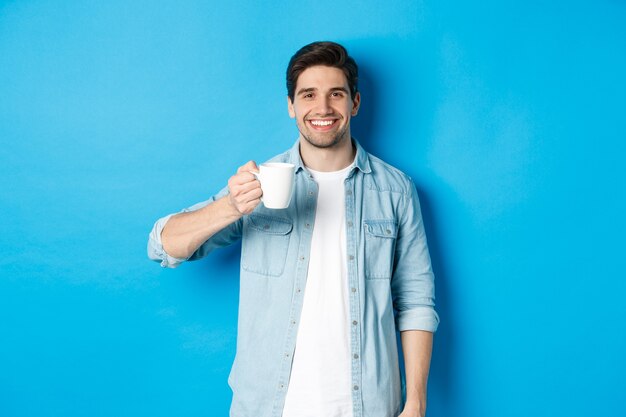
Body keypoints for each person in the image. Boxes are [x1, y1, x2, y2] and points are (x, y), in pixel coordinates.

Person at [148, 41, 439, 417]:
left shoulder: (396, 190)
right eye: (308, 95)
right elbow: (163, 244)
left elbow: (416, 302)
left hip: (368, 406)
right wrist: (230, 207)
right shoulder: (259, 183)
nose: (322, 108)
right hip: (268, 406)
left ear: (355, 103)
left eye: (336, 94)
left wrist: (415, 403)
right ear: (291, 105)